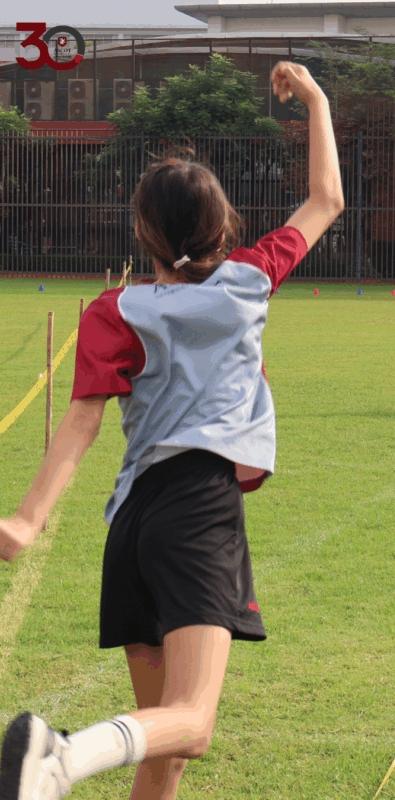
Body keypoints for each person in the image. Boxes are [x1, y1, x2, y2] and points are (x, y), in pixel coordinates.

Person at [0, 60, 344, 800]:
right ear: (222, 226)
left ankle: (62, 760)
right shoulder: (250, 280)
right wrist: (314, 97)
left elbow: (84, 419)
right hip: (198, 507)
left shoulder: (113, 309)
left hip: (131, 521)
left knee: (165, 748)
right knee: (191, 722)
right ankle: (59, 758)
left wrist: (28, 519)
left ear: (142, 233)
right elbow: (326, 198)